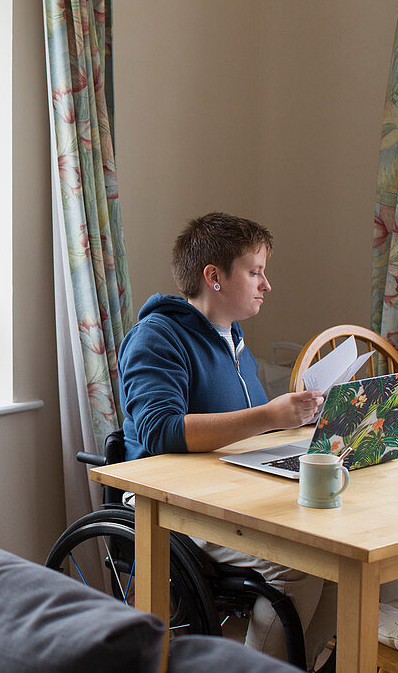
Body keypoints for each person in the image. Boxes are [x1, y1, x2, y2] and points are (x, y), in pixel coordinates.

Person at [117, 212, 335, 671]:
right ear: (213, 277)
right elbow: (160, 431)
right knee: (295, 565)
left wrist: (299, 420)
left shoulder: (233, 339)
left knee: (339, 561)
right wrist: (268, 415)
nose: (266, 284)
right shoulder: (157, 338)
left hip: (231, 493)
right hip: (172, 502)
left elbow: (245, 429)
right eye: (255, 272)